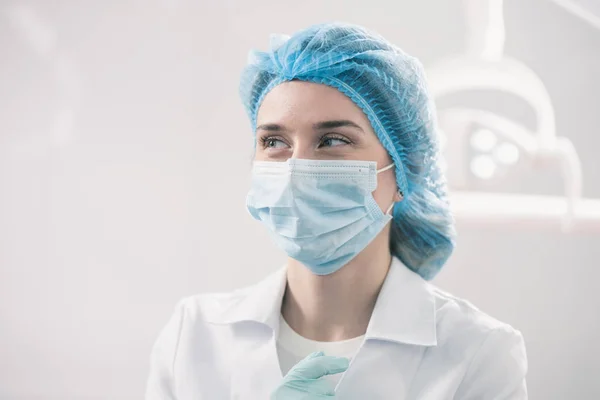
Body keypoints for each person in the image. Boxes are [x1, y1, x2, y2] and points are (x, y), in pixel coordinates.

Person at [145, 22, 528, 399]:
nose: (296, 168)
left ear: (402, 172)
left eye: (332, 140)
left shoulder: (478, 353)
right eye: (274, 140)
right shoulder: (195, 335)